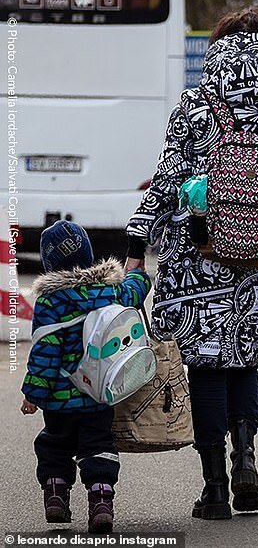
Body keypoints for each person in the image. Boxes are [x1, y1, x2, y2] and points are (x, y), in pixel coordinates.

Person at [125, 9, 258, 520]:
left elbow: (166, 180)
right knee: (244, 361)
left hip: (193, 256)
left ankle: (215, 487)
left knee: (203, 367)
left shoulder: (196, 106)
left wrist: (136, 246)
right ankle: (246, 460)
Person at [21, 221, 152, 533]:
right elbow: (136, 290)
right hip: (99, 392)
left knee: (55, 445)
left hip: (59, 400)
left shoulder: (50, 301)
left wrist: (34, 394)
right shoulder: (109, 291)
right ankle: (101, 501)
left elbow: (45, 352)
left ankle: (55, 495)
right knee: (98, 444)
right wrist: (136, 272)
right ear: (89, 253)